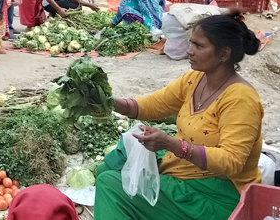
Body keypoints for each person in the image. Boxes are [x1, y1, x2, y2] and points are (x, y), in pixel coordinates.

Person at [95, 13, 263, 220]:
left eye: (199, 46)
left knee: (110, 184)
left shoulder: (240, 99)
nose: (189, 51)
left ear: (224, 54)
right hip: (184, 172)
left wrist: (171, 144)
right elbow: (152, 105)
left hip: (218, 195)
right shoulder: (194, 80)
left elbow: (232, 161)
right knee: (108, 166)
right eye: (191, 43)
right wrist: (106, 100)